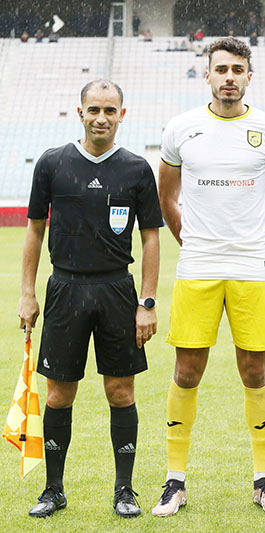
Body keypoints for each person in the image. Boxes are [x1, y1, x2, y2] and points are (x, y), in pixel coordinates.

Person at [151, 37, 265, 516]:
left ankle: (263, 480)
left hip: (250, 270)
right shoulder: (181, 129)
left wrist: (258, 246)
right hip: (197, 268)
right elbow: (166, 197)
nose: (229, 77)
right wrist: (191, 241)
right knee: (186, 372)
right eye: (221, 69)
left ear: (249, 77)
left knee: (255, 371)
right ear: (207, 75)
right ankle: (175, 482)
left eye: (238, 69)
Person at [18, 79, 162, 518]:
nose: (101, 118)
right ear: (79, 112)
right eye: (94, 109)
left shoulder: (137, 168)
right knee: (59, 394)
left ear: (122, 114)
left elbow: (151, 238)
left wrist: (147, 302)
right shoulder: (52, 163)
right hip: (65, 288)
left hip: (117, 289)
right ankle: (53, 490)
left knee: (120, 391)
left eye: (109, 110)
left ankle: (125, 490)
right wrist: (27, 293)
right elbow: (34, 230)